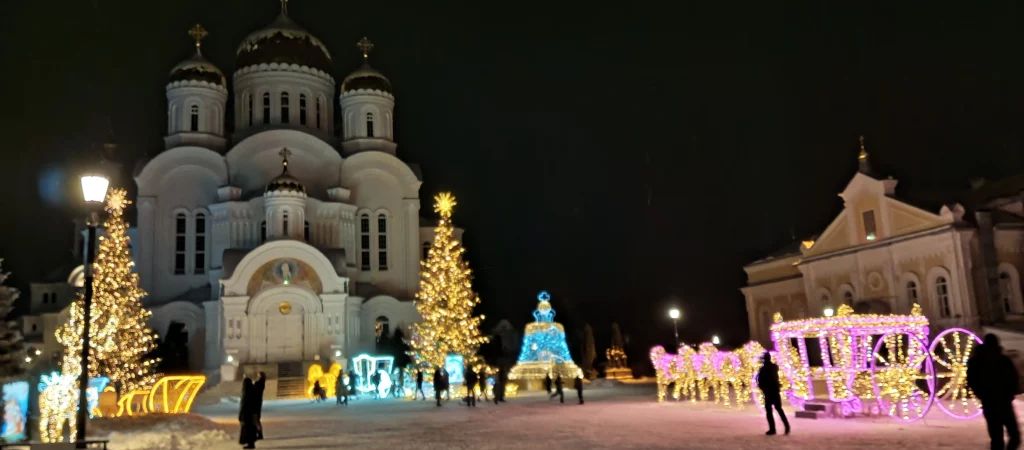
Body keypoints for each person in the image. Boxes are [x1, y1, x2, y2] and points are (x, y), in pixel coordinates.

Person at [967, 333, 1021, 450]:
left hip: (990, 403)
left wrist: (981, 394)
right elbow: (1013, 377)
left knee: (997, 438)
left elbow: (971, 380)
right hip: (1003, 402)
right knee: (1013, 436)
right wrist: (1010, 393)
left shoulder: (976, 361)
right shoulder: (1003, 360)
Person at [757, 352, 790, 436]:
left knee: (769, 411)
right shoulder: (774, 367)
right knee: (779, 409)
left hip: (768, 392)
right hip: (774, 391)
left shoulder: (763, 369)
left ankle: (772, 429)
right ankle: (786, 426)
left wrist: (762, 387)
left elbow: (760, 381)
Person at [238, 378, 259, 449]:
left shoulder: (246, 392)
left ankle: (250, 444)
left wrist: (241, 416)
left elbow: (243, 405)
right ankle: (251, 443)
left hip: (246, 414)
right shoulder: (253, 391)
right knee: (251, 429)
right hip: (252, 413)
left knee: (247, 429)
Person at [254, 372, 266, 441]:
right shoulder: (262, 383)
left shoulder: (258, 383)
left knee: (256, 419)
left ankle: (259, 433)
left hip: (256, 402)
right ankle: (259, 433)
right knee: (257, 419)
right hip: (258, 402)